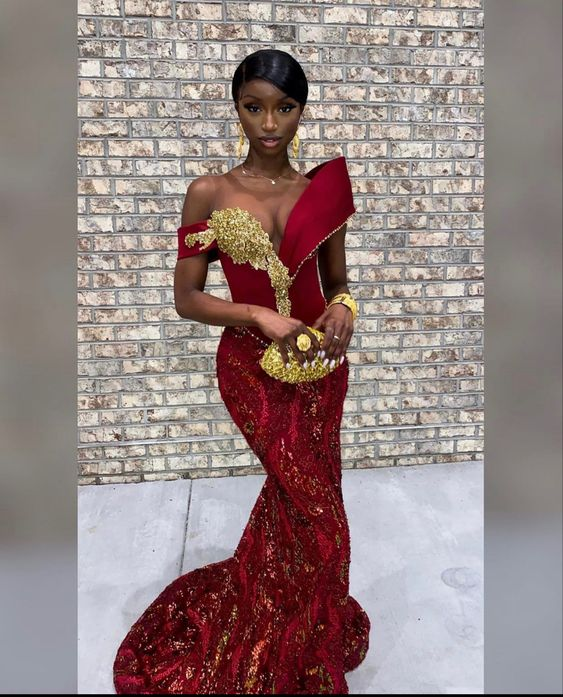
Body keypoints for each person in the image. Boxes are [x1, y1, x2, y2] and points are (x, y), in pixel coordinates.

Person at [113, 48, 370, 695]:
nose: (269, 123)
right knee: (317, 515)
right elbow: (187, 297)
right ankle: (275, 632)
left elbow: (337, 281)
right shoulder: (209, 192)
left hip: (320, 368)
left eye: (284, 107)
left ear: (301, 110)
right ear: (237, 108)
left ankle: (290, 618)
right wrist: (256, 313)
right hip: (249, 370)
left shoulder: (321, 194)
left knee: (300, 503)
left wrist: (344, 307)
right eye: (253, 107)